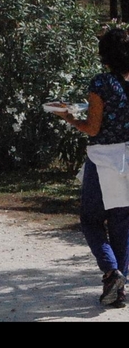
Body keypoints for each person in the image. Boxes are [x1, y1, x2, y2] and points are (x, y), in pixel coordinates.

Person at [54, 27, 129, 307]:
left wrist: (69, 118)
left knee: (91, 219)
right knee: (122, 223)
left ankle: (111, 271)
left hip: (104, 158)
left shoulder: (101, 83)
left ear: (104, 55)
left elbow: (93, 127)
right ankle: (118, 289)